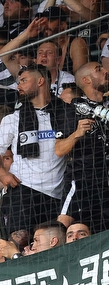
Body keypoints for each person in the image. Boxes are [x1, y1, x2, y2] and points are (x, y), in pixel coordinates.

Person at [0, 64, 87, 234]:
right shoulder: (13, 118)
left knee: (50, 244)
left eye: (24, 81)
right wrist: (1, 172)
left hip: (55, 194)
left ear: (41, 81)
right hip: (23, 190)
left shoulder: (65, 113)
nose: (19, 86)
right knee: (19, 239)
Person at [55, 62, 109, 233]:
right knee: (63, 226)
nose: (106, 71)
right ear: (86, 80)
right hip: (84, 177)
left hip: (106, 177)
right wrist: (76, 134)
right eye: (99, 70)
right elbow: (58, 149)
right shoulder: (72, 110)